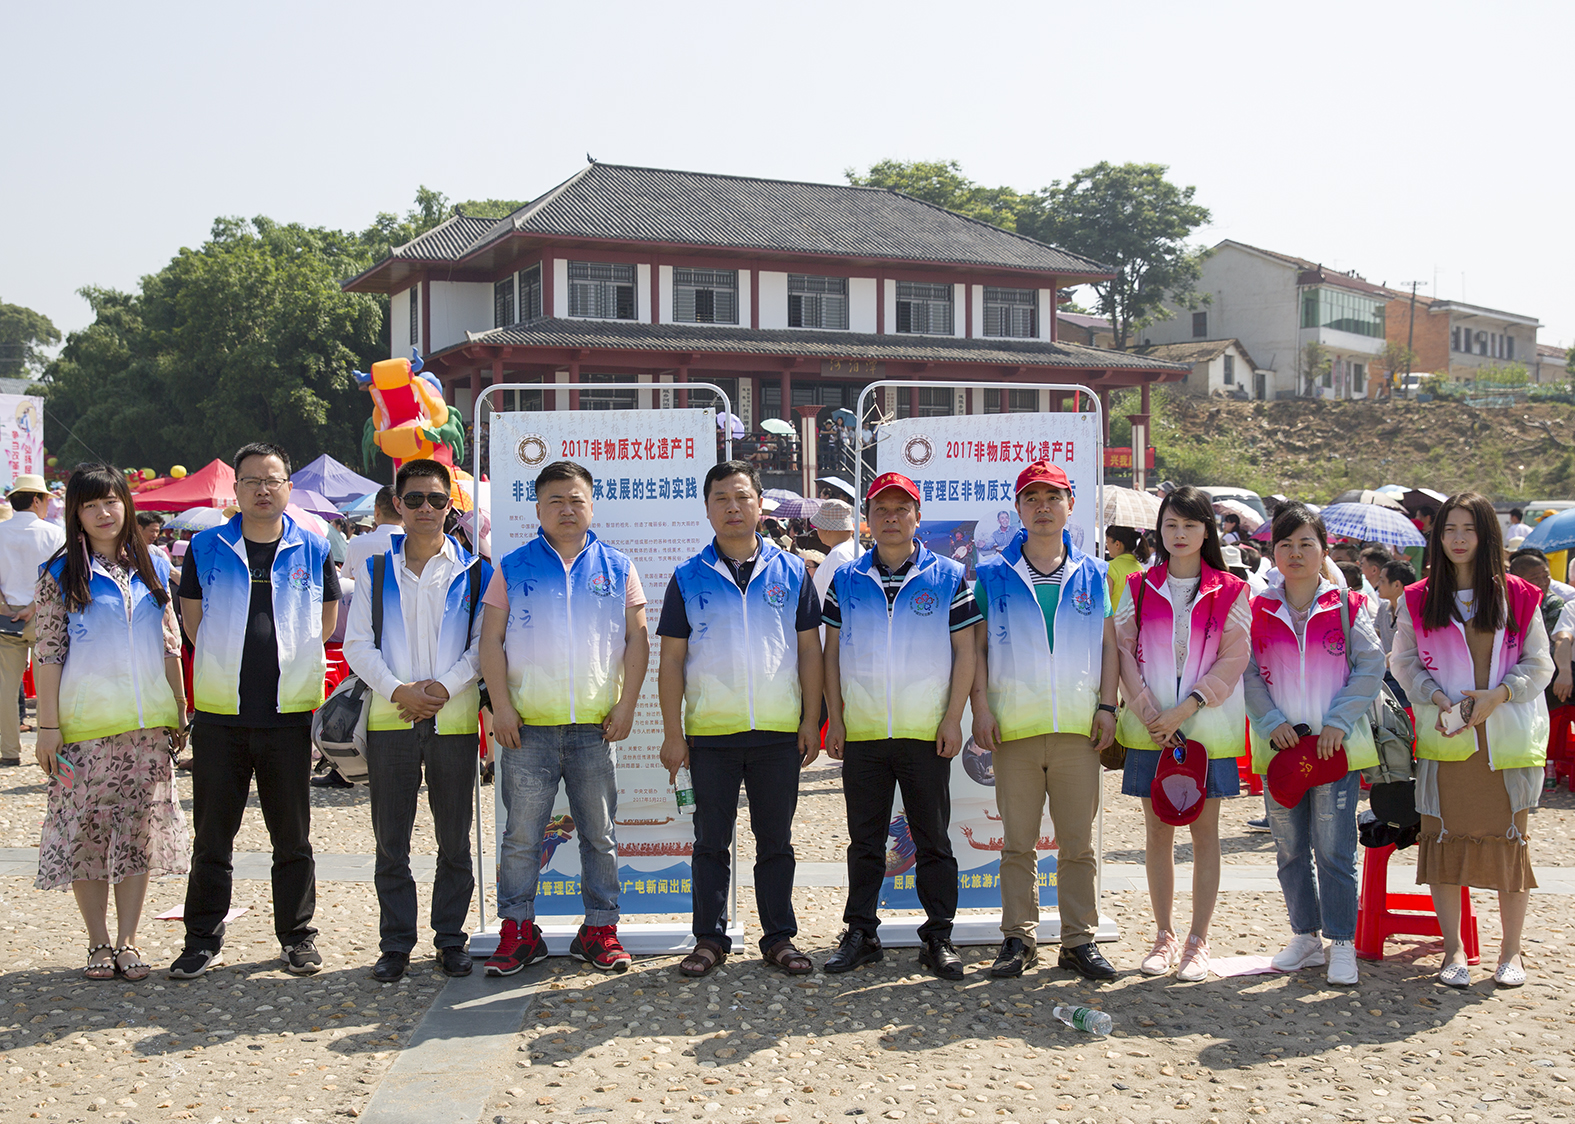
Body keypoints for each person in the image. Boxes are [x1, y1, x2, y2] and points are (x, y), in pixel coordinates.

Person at [170, 443, 340, 979]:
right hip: (221, 714)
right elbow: (192, 621)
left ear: (288, 486)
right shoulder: (207, 545)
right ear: (236, 489)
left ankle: (297, 936)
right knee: (212, 837)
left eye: (272, 480)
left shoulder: (313, 546)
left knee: (291, 837)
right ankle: (202, 938)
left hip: (287, 714)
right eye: (251, 481)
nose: (262, 490)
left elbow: (326, 620)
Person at [480, 460, 649, 976]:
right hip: (526, 729)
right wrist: (502, 708)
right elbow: (490, 640)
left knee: (599, 834)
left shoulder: (617, 567)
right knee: (521, 838)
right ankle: (518, 931)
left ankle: (600, 929)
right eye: (555, 500)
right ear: (538, 508)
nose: (567, 509)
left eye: (577, 500)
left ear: (592, 506)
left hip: (594, 730)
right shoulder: (513, 566)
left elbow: (638, 639)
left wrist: (626, 705)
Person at [657, 460, 823, 978]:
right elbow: (672, 661)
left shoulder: (792, 572)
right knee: (711, 842)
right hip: (710, 734)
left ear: (759, 504)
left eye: (742, 497)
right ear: (707, 510)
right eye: (721, 499)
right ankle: (709, 939)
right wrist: (673, 734)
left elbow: (809, 651)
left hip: (777, 732)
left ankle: (779, 937)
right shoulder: (688, 576)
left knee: (776, 842)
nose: (733, 507)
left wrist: (810, 720)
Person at [32, 465, 188, 981]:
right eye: (90, 504)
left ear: (127, 504)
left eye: (112, 501)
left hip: (147, 731)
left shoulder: (153, 565)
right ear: (76, 513)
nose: (103, 512)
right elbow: (49, 653)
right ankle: (98, 941)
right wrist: (48, 728)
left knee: (138, 834)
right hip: (86, 732)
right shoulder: (60, 573)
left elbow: (169, 644)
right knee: (88, 834)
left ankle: (129, 940)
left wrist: (179, 707)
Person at [1391, 492, 1553, 988]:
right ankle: (1454, 950)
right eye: (1449, 530)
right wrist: (1439, 698)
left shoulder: (1520, 595)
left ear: (1487, 535)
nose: (1458, 539)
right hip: (1447, 736)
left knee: (1510, 843)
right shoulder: (1418, 598)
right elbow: (1404, 662)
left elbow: (1539, 663)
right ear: (1437, 538)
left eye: (1469, 529)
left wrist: (1500, 693)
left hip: (1505, 740)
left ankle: (1511, 951)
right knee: (1442, 840)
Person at [821, 472, 979, 980]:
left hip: (925, 731)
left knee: (933, 838)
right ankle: (861, 933)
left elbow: (965, 651)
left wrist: (953, 718)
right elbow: (830, 654)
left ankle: (938, 936)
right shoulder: (847, 578)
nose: (891, 518)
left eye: (901, 509)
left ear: (917, 517)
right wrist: (836, 719)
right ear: (868, 519)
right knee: (865, 841)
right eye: (881, 510)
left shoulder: (948, 575)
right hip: (864, 732)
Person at [342, 458, 491, 982]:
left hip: (454, 721)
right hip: (391, 719)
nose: (425, 508)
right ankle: (396, 943)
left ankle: (450, 939)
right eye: (414, 499)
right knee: (391, 842)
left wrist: (443, 688)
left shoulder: (476, 571)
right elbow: (357, 644)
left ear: (450, 505)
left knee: (455, 840)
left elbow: (483, 647)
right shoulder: (375, 570)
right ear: (397, 505)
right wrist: (399, 690)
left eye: (436, 499)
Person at [971, 461, 1119, 982]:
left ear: (1070, 506)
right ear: (1017, 509)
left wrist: (1108, 706)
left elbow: (1109, 646)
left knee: (1078, 844)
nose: (1042, 507)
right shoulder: (992, 574)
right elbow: (977, 649)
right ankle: (1019, 937)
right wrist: (981, 708)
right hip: (1015, 728)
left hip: (1079, 728)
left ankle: (1079, 940)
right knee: (1017, 842)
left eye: (1053, 497)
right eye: (1032, 499)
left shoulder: (1094, 572)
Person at [1243, 504, 1384, 985]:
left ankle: (1341, 942)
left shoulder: (1348, 605)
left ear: (1324, 549)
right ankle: (1305, 936)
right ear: (1273, 552)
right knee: (1289, 850)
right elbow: (1246, 672)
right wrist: (1270, 721)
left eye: (1306, 543)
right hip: (1281, 750)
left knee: (1334, 851)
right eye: (1285, 544)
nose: (1296, 553)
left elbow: (1371, 666)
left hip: (1333, 750)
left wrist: (1338, 722)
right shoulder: (1258, 608)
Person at [1114, 484, 1250, 982]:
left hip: (1205, 728)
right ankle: (1164, 935)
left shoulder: (1231, 590)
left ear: (1206, 531)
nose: (1179, 533)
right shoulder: (1138, 586)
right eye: (1170, 524)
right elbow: (1122, 651)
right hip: (1150, 728)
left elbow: (1235, 657)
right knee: (1157, 832)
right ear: (1159, 531)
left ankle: (1198, 940)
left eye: (1190, 524)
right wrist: (1151, 712)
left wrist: (1186, 708)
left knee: (1205, 833)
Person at [0, 474, 65, 765]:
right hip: (45, 615)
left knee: (5, 686)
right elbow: (60, 576)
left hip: (5, 615)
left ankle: (9, 752)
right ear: (37, 500)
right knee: (48, 687)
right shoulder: (54, 533)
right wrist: (33, 606)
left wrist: (6, 605)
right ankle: (47, 750)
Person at [341, 486, 401, 581]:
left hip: (363, 590)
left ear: (376, 510)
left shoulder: (356, 543)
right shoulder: (415, 545)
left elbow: (345, 574)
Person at [809, 500, 859, 609]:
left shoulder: (838, 555)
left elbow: (835, 603)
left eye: (817, 526)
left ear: (827, 529)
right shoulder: (856, 548)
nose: (817, 531)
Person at [1105, 526, 1142, 611]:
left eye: (1107, 542)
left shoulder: (1109, 568)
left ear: (1117, 544)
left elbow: (1104, 606)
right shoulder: (1142, 570)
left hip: (1114, 619)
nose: (1107, 546)